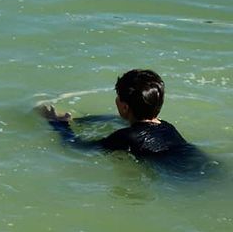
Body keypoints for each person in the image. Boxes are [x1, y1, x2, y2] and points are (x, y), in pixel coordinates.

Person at [36, 68, 213, 175]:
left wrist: (58, 124)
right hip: (201, 166)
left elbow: (77, 147)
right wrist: (81, 120)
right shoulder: (167, 126)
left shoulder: (126, 137)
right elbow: (118, 121)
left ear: (125, 107)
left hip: (181, 179)